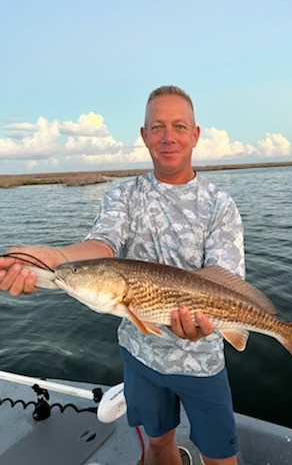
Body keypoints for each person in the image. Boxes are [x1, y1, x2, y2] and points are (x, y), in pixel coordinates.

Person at [0, 86, 245, 465]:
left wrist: (208, 323)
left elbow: (224, 281)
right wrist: (56, 257)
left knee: (219, 458)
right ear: (144, 135)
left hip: (202, 365)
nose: (168, 136)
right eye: (157, 126)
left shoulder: (220, 205)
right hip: (140, 358)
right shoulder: (123, 196)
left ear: (195, 135)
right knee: (158, 445)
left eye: (179, 126)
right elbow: (102, 245)